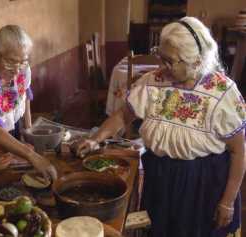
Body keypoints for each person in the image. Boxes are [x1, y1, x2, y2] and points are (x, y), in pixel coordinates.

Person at [73, 17, 245, 237]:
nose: (161, 67)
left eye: (169, 61)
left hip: (202, 184)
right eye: (160, 57)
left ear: (196, 61)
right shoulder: (152, 81)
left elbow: (238, 152)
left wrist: (228, 202)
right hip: (160, 177)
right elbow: (124, 114)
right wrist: (95, 138)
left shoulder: (221, 92)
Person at [0, 25, 57, 180]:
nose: (17, 70)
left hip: (10, 127)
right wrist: (32, 156)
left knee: (14, 176)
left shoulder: (21, 65)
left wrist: (29, 130)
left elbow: (25, 94)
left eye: (22, 61)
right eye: (11, 62)